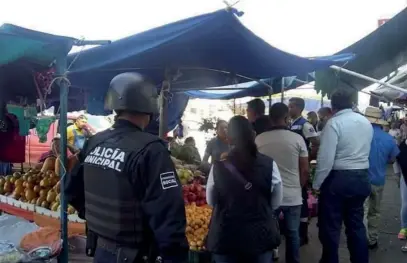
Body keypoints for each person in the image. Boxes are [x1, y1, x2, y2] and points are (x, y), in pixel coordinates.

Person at [64, 72, 188, 263]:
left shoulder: (95, 142)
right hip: (136, 256)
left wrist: (103, 222)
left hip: (100, 252)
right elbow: (169, 218)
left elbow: (70, 190)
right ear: (149, 108)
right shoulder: (152, 150)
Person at [205, 115, 282, 263]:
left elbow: (211, 200)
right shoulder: (269, 164)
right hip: (260, 236)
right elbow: (276, 202)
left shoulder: (218, 166)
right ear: (253, 135)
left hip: (226, 236)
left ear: (229, 138)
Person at [313, 89, 373, 263]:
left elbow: (325, 160)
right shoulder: (365, 122)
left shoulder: (333, 123)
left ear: (333, 106)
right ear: (352, 103)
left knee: (331, 227)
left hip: (338, 179)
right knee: (356, 225)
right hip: (361, 177)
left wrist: (316, 184)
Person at [256, 103, 309, 263]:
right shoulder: (298, 139)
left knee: (267, 232)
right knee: (293, 233)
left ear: (270, 118)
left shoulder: (259, 139)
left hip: (268, 196)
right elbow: (305, 170)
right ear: (286, 118)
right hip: (293, 196)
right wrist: (298, 187)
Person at [362, 106, 399, 249]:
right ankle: (372, 239)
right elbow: (392, 159)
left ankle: (361, 237)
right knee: (375, 211)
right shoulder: (389, 139)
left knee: (361, 210)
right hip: (378, 179)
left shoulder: (360, 136)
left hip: (361, 178)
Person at [288, 97, 319, 245]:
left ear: (299, 108)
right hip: (292, 166)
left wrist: (308, 158)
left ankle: (303, 234)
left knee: (301, 199)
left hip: (300, 167)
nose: (289, 109)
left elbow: (316, 142)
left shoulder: (305, 125)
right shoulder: (291, 124)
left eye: (291, 107)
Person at [397, 137, 407, 250]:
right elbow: (397, 160)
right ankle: (404, 227)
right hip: (404, 177)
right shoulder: (402, 145)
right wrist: (397, 174)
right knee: (405, 204)